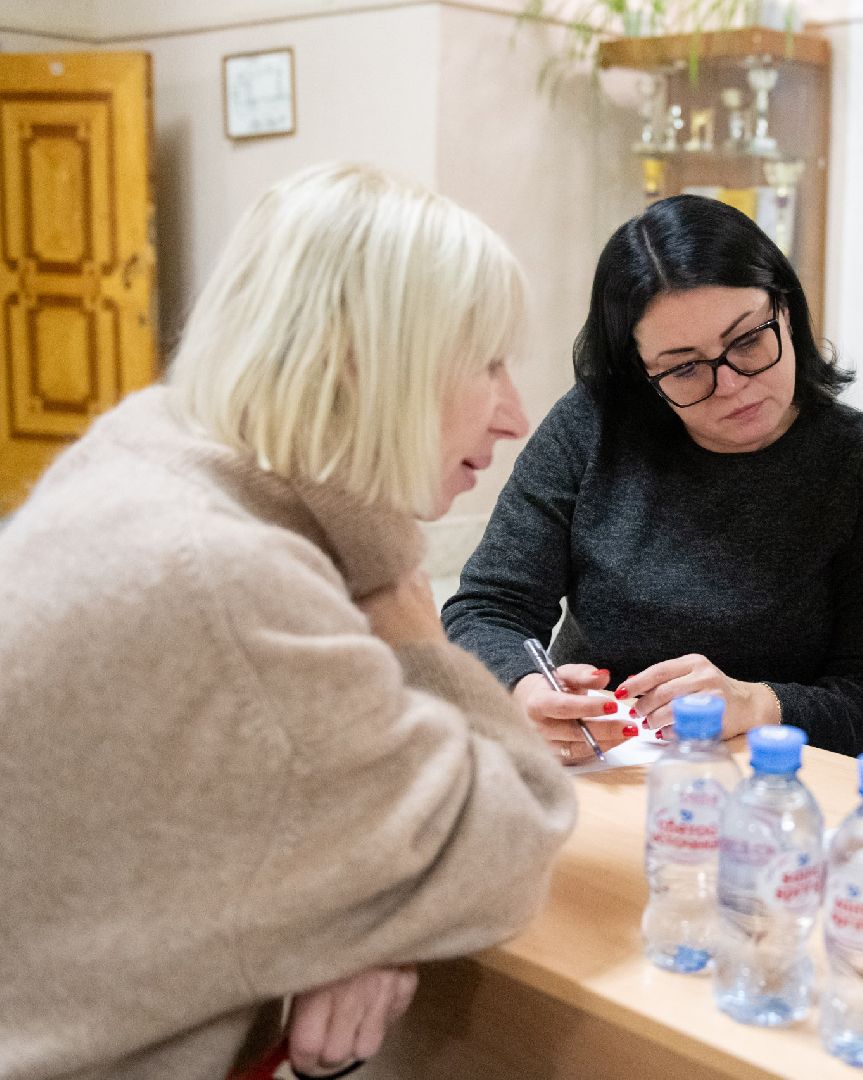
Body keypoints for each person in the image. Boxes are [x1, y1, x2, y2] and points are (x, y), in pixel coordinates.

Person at [0, 163, 577, 1078]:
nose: (513, 413)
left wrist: (368, 906)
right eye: (487, 363)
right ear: (368, 364)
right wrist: (402, 601)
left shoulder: (151, 457)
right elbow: (513, 835)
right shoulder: (229, 582)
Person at [443, 195, 863, 760]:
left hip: (775, 789)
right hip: (604, 769)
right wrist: (525, 688)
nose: (731, 384)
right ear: (640, 373)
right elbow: (486, 609)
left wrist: (760, 704)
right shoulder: (593, 426)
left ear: (788, 311)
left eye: (748, 341)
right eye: (683, 368)